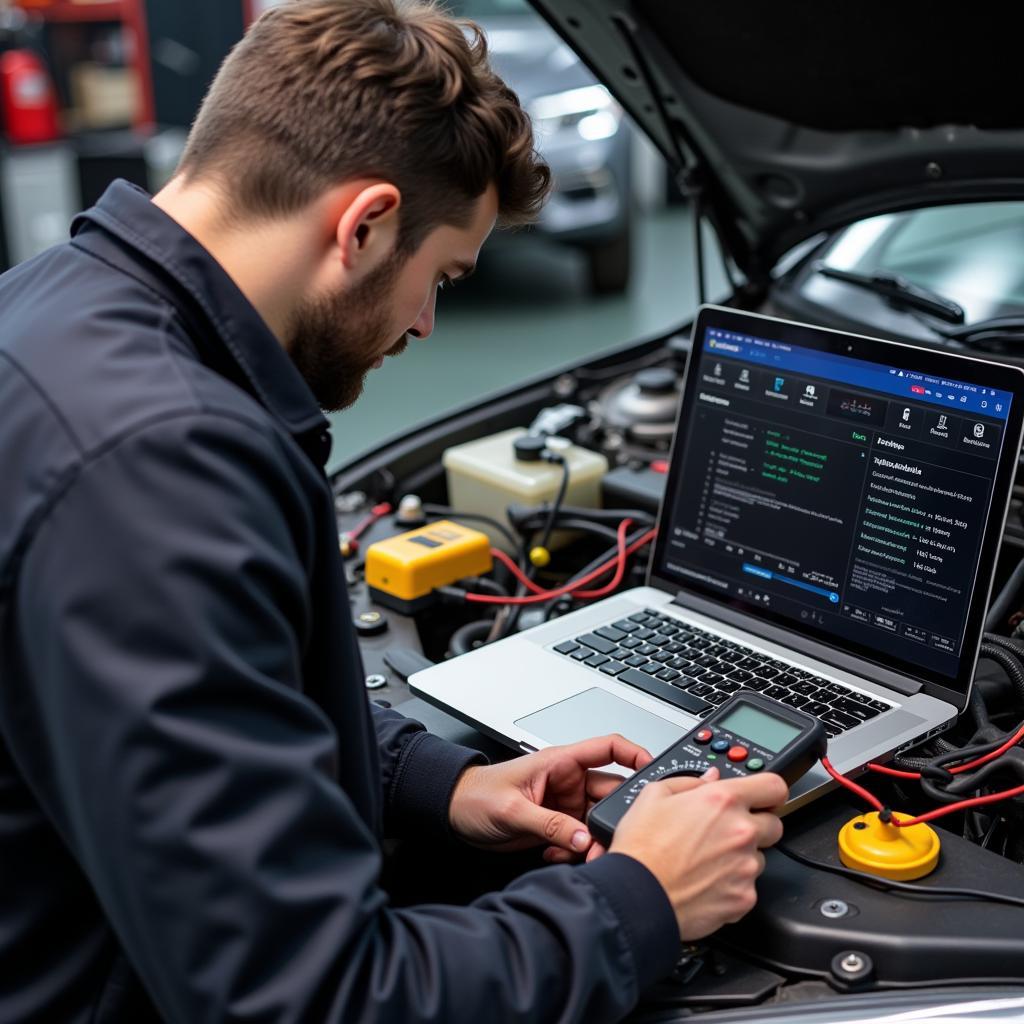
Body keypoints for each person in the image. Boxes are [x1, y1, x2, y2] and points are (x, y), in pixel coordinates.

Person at [0, 1, 787, 1021]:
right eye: (440, 278)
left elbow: (198, 715)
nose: (423, 322)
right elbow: (310, 997)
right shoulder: (162, 467)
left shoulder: (53, 310)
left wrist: (433, 782)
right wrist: (639, 899)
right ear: (365, 223)